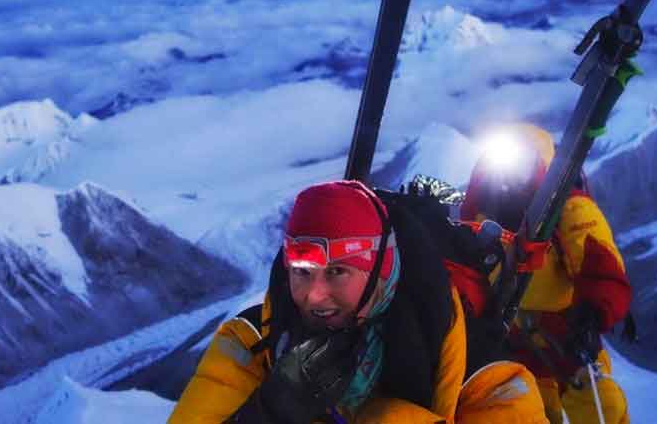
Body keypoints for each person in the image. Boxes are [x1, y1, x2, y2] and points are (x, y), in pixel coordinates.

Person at [169, 179, 549, 423]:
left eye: (337, 272)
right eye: (301, 272)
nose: (314, 295)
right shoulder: (252, 343)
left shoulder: (477, 370)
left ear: (382, 271)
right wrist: (267, 414)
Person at [453, 123, 632, 424]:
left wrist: (593, 314)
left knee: (602, 408)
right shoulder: (481, 215)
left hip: (569, 337)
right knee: (532, 413)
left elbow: (602, 268)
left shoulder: (571, 211)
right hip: (513, 340)